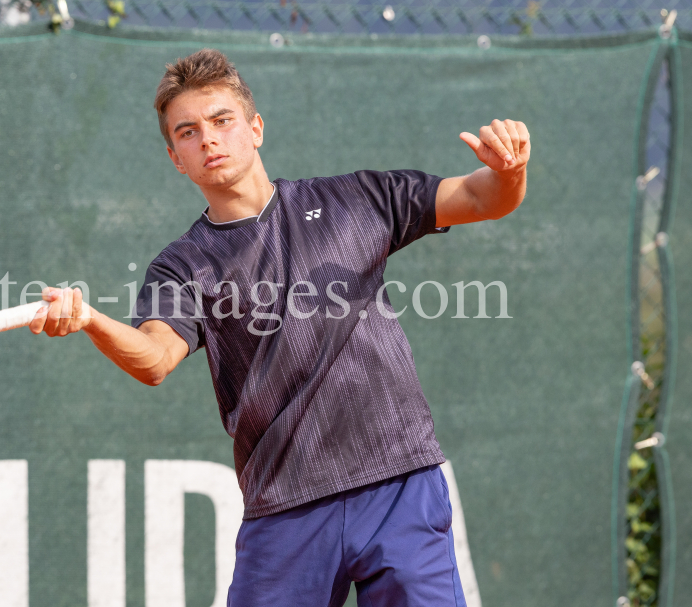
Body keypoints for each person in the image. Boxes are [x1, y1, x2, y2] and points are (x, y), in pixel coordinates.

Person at [28, 49, 529, 606]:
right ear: (176, 157)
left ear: (255, 128)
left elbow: (485, 197)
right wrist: (91, 321)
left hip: (398, 484)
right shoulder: (184, 265)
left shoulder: (356, 200)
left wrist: (510, 170)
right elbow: (153, 358)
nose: (209, 140)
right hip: (286, 508)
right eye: (189, 132)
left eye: (222, 121)